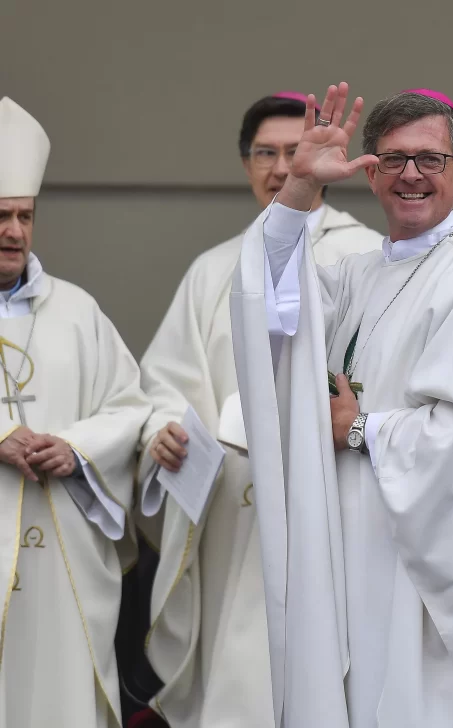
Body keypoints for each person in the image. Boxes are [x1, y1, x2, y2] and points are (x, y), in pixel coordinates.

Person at [231, 83, 453, 728]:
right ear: (371, 172)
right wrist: (297, 190)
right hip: (356, 549)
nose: (411, 175)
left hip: (424, 579)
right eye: (394, 160)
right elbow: (270, 313)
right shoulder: (360, 272)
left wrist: (358, 426)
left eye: (430, 160)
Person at [134, 91, 382, 727]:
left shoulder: (364, 255)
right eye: (265, 153)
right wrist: (165, 430)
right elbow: (167, 376)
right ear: (245, 161)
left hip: (320, 508)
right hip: (232, 512)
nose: (279, 166)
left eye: (292, 151)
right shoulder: (214, 267)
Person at [0, 97, 151, 726]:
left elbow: (129, 405)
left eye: (25, 216)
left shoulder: (78, 312)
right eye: (0, 216)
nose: (14, 231)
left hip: (64, 559)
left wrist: (78, 448)